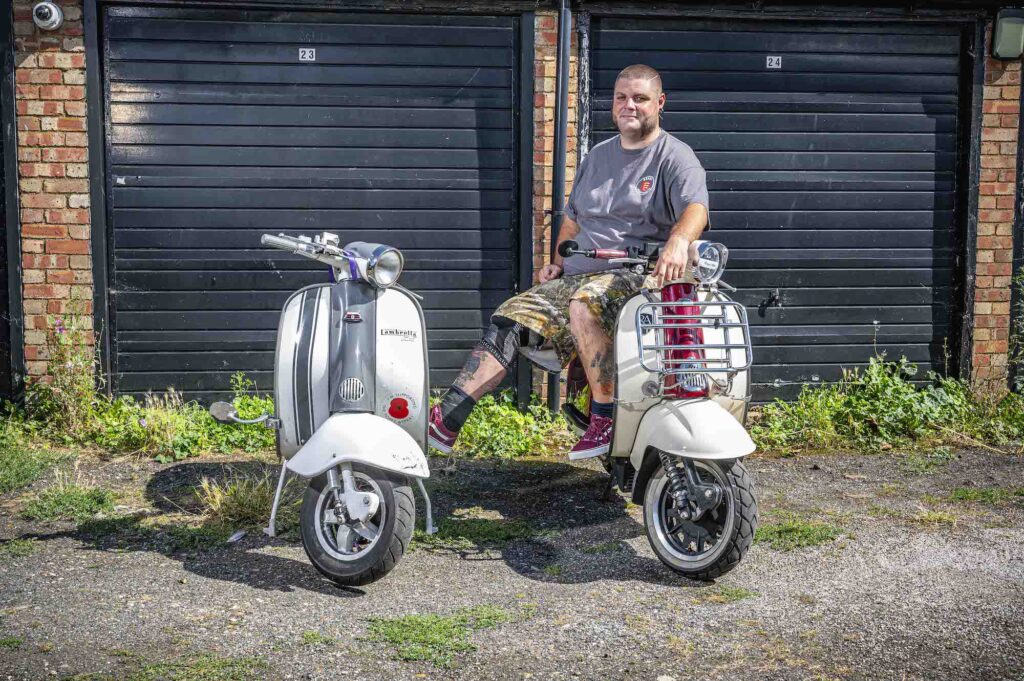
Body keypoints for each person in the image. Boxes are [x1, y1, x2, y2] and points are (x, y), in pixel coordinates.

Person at [428, 63, 710, 459]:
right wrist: (557, 263)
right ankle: (447, 419)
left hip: (635, 276)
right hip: (579, 273)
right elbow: (573, 218)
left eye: (640, 98)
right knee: (511, 318)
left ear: (659, 103)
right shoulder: (597, 156)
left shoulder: (674, 156)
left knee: (585, 304)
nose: (629, 105)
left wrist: (679, 241)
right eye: (621, 97)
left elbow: (695, 208)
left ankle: (605, 418)